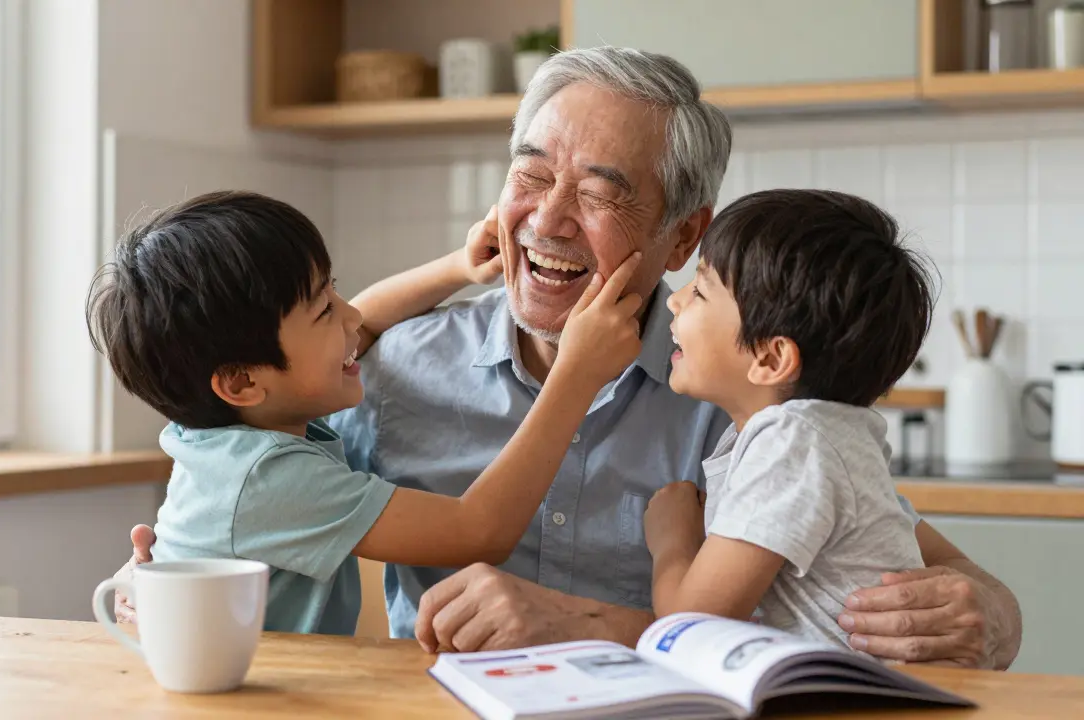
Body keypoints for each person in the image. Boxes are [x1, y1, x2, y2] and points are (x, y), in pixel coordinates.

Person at [119, 47, 1022, 668]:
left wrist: (992, 611)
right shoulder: (387, 372)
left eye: (599, 193)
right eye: (531, 175)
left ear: (684, 237)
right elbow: (243, 484)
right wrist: (152, 582)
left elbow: (932, 567)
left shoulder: (754, 394)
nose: (547, 221)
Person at [87, 190, 644, 635]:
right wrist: (577, 373)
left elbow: (368, 320)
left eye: (335, 292)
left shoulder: (227, 429)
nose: (352, 317)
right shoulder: (271, 479)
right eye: (324, 310)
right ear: (242, 382)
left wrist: (459, 267)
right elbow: (478, 530)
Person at [644, 189, 931, 650]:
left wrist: (672, 539)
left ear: (771, 358)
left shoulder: (792, 442)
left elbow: (691, 625)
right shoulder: (824, 432)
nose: (674, 301)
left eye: (699, 290)